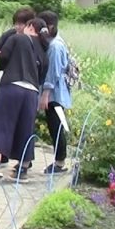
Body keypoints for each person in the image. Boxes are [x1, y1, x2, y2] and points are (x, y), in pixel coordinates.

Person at [0, 18, 49, 184]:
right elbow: (42, 76)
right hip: (31, 92)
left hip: (11, 87)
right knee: (26, 129)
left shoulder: (17, 38)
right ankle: (22, 169)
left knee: (2, 125)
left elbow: (3, 59)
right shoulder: (43, 49)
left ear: (30, 27)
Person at [38, 10, 72, 174]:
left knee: (56, 127)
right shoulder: (52, 43)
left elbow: (53, 72)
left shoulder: (55, 46)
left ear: (50, 26)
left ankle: (59, 163)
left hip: (55, 95)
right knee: (54, 126)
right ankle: (59, 161)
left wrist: (45, 94)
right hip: (54, 94)